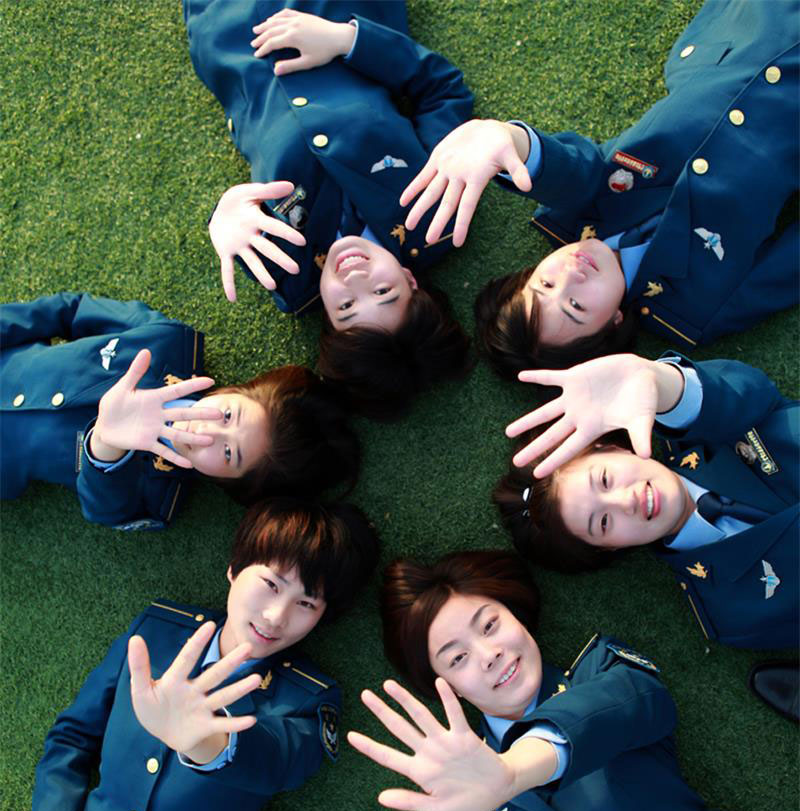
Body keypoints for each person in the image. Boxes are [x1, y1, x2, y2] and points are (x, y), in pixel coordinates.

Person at [347, 549, 800, 811]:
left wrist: (512, 771)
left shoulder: (602, 669)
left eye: (489, 625)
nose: (488, 655)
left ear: (517, 614)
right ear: (446, 686)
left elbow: (636, 703)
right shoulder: (459, 803)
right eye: (457, 659)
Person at [1, 496, 379, 811]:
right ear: (234, 568)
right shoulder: (156, 631)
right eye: (270, 583)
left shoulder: (307, 698)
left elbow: (279, 762)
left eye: (306, 602)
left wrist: (205, 741)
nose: (276, 616)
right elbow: (71, 739)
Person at [397, 0, 799, 377]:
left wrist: (505, 139)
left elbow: (564, 170)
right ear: (613, 323)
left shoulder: (575, 212)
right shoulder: (696, 308)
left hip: (751, 30)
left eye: (545, 284)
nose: (571, 275)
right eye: (575, 306)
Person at [185, 0, 474, 418]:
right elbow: (443, 90)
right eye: (383, 292)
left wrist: (225, 215)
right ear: (411, 281)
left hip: (229, 35)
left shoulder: (287, 272)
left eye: (346, 308)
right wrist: (347, 40)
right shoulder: (435, 214)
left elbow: (234, 217)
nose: (355, 280)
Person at [493, 351, 798, 718]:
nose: (626, 501)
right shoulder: (732, 614)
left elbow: (741, 393)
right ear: (609, 548)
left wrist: (657, 380)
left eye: (605, 479)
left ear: (611, 447)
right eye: (602, 523)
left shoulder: (708, 424)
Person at [1, 292, 359, 529]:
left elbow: (104, 511)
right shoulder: (167, 341)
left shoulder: (160, 495)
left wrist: (105, 445)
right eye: (229, 415)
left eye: (229, 453)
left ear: (230, 482)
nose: (208, 432)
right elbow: (71, 310)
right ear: (234, 391)